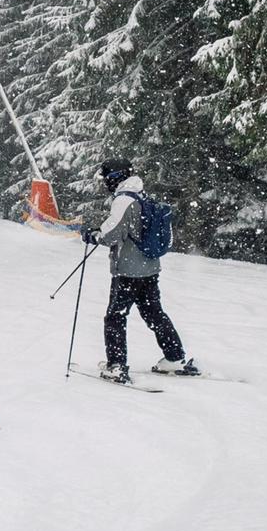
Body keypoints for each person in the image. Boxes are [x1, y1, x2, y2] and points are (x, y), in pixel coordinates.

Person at [81, 158, 196, 383]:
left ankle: (116, 366)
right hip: (149, 268)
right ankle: (174, 357)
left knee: (115, 316)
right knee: (154, 313)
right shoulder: (140, 193)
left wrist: (93, 235)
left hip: (128, 271)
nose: (105, 182)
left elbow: (112, 233)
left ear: (115, 177)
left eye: (106, 178)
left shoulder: (123, 199)